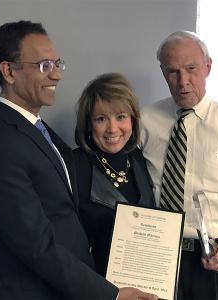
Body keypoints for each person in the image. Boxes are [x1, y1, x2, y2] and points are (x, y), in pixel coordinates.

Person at [0, 20, 158, 300]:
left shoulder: (38, 132)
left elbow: (54, 209)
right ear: (9, 71)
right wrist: (111, 295)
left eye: (58, 64)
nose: (56, 75)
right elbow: (36, 246)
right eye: (44, 66)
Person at [140, 30, 218, 300]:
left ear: (208, 67)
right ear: (162, 72)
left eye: (191, 69)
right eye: (172, 71)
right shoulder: (144, 121)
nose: (182, 81)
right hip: (160, 256)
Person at [74, 72, 156, 276]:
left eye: (121, 117)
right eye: (101, 119)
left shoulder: (139, 158)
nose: (112, 129)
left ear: (132, 120)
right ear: (88, 124)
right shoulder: (74, 165)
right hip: (97, 286)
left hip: (147, 282)